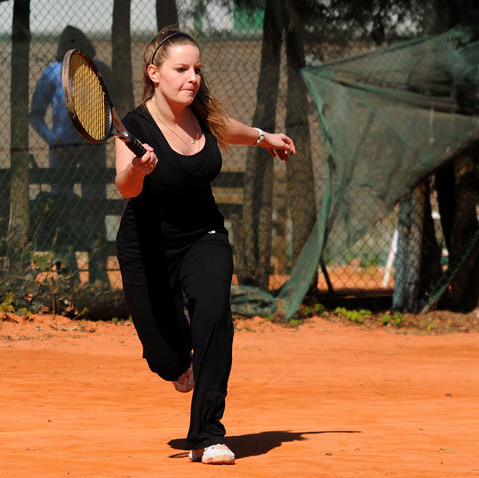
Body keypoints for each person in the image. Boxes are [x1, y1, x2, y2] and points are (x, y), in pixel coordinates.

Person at [114, 28, 295, 465]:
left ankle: (208, 434)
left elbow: (225, 129)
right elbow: (124, 186)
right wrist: (139, 169)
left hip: (204, 238)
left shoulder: (203, 113)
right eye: (181, 69)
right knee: (164, 358)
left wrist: (261, 136)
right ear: (154, 73)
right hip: (146, 246)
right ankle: (178, 364)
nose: (192, 77)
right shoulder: (134, 126)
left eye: (196, 68)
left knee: (214, 317)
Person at [30, 25, 111, 283]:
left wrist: (100, 138)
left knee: (95, 207)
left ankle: (98, 275)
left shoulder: (101, 70)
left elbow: (115, 112)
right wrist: (54, 140)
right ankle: (68, 274)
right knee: (61, 209)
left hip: (92, 150)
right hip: (62, 152)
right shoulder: (53, 73)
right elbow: (35, 114)